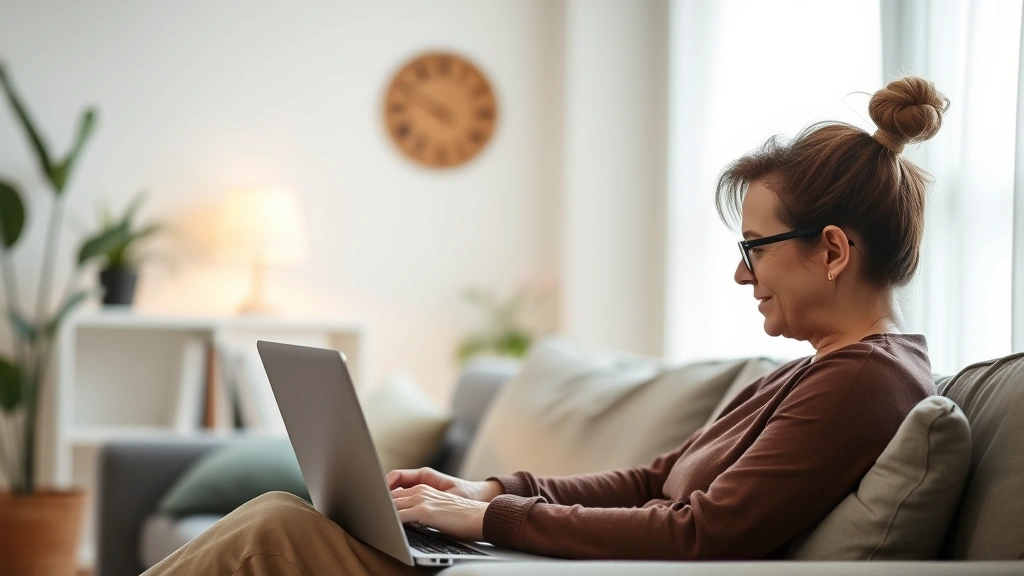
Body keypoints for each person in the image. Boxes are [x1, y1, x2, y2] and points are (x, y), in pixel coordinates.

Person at [144, 75, 949, 574]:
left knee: (276, 526)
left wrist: (490, 520)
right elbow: (650, 480)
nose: (742, 274)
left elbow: (704, 536)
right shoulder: (817, 369)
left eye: (755, 250)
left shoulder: (866, 381)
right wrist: (484, 490)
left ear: (833, 250)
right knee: (280, 520)